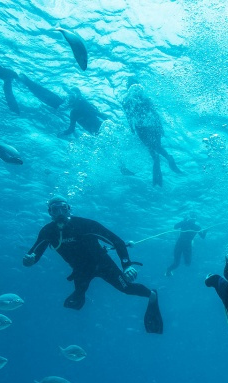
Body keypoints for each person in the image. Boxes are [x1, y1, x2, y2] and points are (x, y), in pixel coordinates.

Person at [23, 197, 163, 334]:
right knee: (78, 296)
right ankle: (78, 332)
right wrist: (29, 261)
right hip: (81, 270)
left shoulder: (85, 225)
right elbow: (33, 254)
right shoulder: (48, 232)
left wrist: (126, 265)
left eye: (63, 208)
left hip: (103, 265)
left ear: (69, 209)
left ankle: (152, 295)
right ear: (50, 213)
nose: (60, 213)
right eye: (55, 210)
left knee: (126, 288)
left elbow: (117, 241)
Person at [122, 82, 181, 186]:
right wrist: (161, 127)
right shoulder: (145, 99)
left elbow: (129, 115)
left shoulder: (128, 100)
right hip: (153, 126)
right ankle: (167, 158)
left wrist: (132, 128)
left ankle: (161, 161)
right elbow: (155, 113)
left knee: (152, 148)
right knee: (156, 147)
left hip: (141, 128)